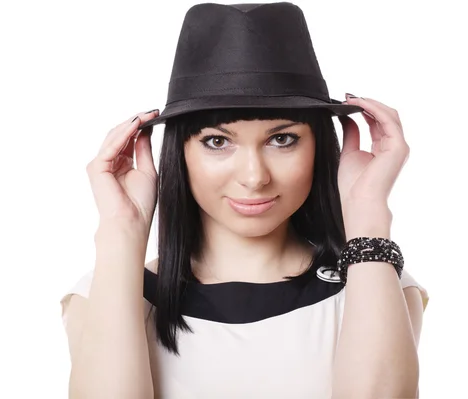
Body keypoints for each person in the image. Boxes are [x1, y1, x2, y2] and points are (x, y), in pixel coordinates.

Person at [60, 2, 429, 398]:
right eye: (217, 141)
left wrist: (368, 214)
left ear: (319, 147)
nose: (254, 177)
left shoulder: (374, 282)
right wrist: (120, 233)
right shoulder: (105, 293)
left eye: (282, 139)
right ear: (179, 153)